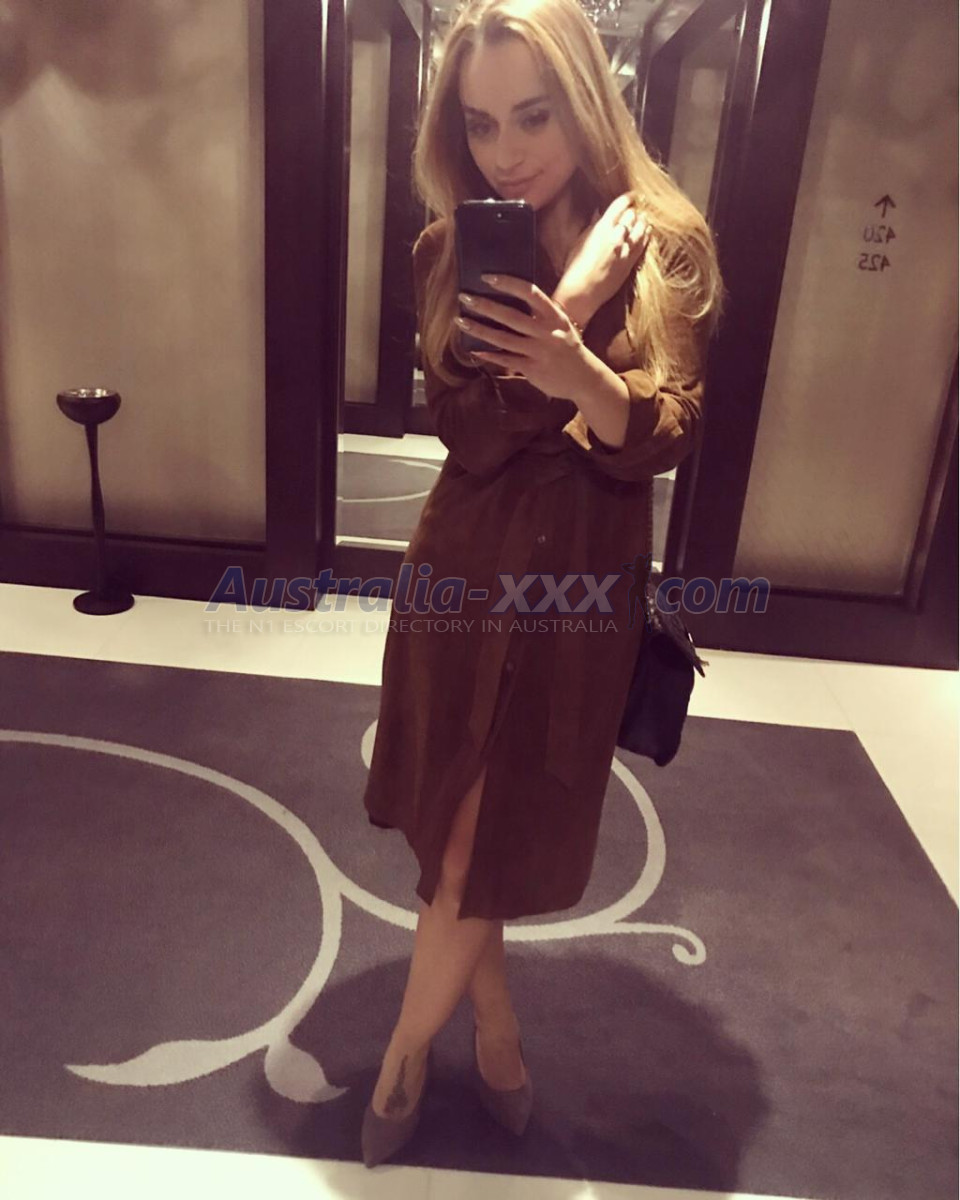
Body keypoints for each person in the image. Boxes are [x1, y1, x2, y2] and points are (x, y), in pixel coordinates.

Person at [361, 0, 725, 1166]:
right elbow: (468, 433)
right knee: (461, 833)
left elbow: (670, 429)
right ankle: (493, 1035)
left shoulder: (664, 241)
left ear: (586, 99)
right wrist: (566, 314)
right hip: (462, 576)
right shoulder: (451, 249)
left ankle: (404, 1060)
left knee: (491, 834)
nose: (506, 152)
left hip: (578, 592)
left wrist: (582, 378)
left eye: (533, 116)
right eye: (479, 125)